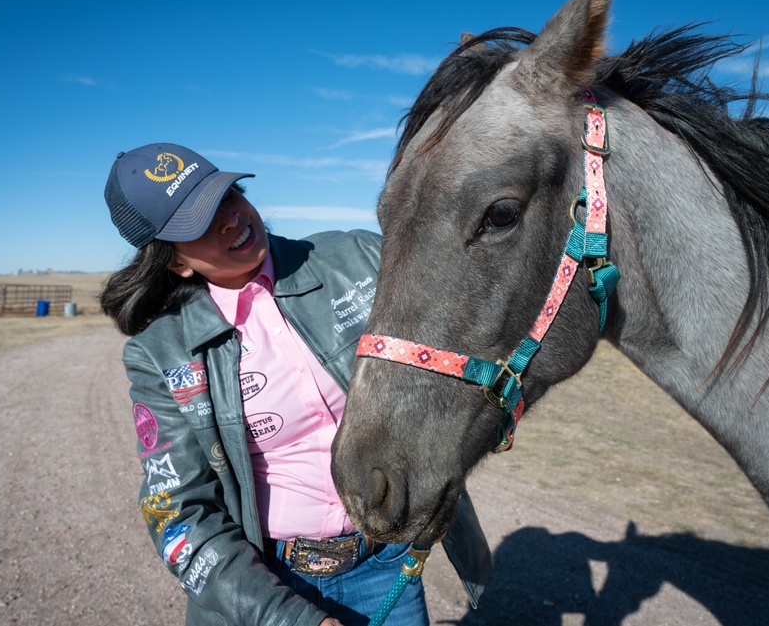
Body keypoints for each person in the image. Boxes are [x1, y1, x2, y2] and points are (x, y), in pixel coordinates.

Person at [99, 143, 492, 626]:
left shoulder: (359, 257)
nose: (229, 218)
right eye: (198, 223)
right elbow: (179, 516)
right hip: (272, 584)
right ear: (175, 262)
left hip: (386, 562)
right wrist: (289, 618)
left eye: (227, 196)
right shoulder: (160, 355)